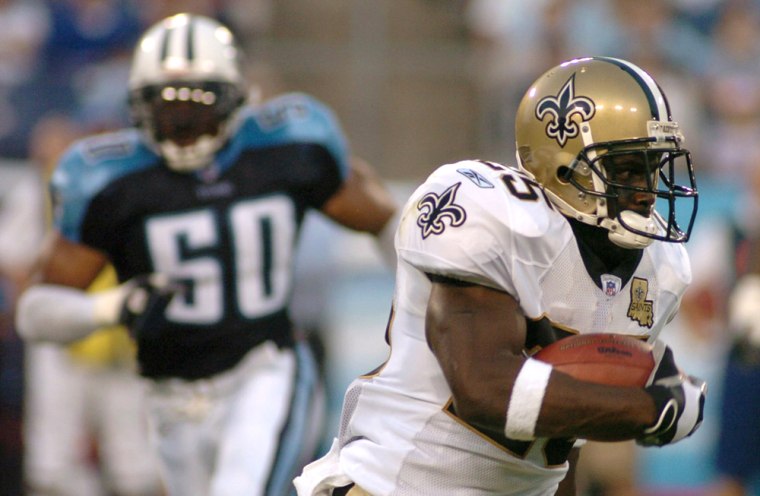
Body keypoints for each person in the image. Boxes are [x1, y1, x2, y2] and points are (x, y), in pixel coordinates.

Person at [15, 12, 398, 496]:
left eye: (199, 108)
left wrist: (421, 316)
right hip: (168, 392)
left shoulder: (289, 147)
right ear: (137, 106)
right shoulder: (109, 181)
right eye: (166, 108)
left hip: (263, 367)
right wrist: (113, 306)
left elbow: (390, 222)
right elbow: (34, 311)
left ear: (236, 99)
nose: (182, 126)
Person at [294, 56, 707, 496]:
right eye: (627, 169)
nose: (647, 190)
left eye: (654, 167)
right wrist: (645, 408)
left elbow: (562, 443)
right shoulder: (492, 212)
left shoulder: (659, 268)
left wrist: (622, 408)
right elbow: (488, 391)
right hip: (396, 483)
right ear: (564, 167)